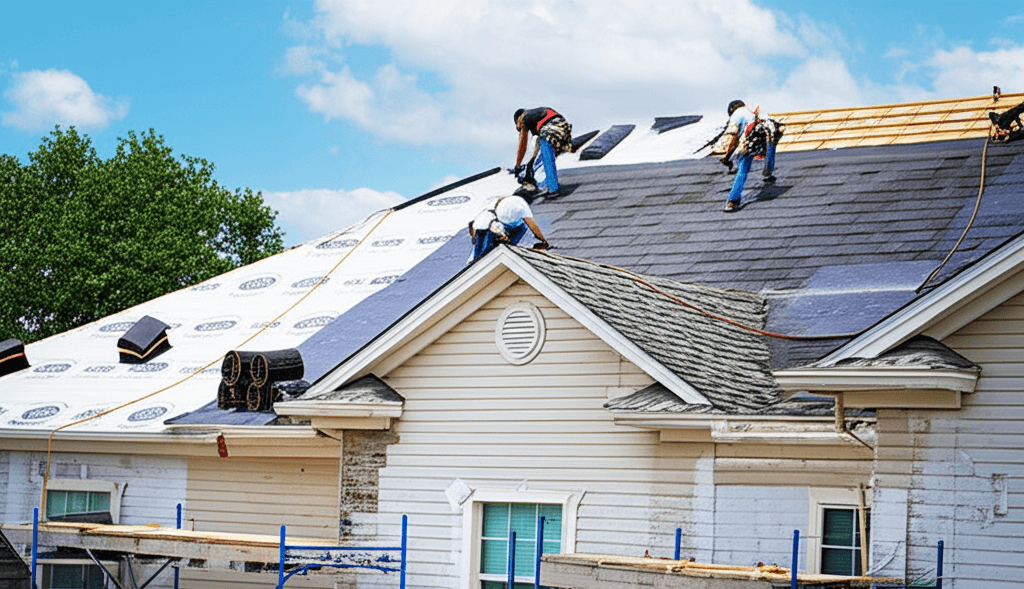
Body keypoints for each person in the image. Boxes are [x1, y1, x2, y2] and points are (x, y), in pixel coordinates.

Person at [720, 99, 781, 212]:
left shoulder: (736, 116)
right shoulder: (752, 111)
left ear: (732, 109)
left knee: (743, 170)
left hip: (749, 142)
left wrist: (727, 157)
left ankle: (732, 201)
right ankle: (768, 173)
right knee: (771, 145)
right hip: (764, 136)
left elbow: (733, 138)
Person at [468, 195, 549, 262]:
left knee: (520, 231)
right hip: (493, 226)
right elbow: (494, 228)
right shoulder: (485, 222)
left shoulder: (518, 207)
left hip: (505, 222)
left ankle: (505, 254)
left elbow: (531, 223)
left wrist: (542, 241)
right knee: (483, 256)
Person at [513, 107, 573, 196]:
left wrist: (517, 165)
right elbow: (537, 147)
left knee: (546, 156)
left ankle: (553, 189)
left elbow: (522, 144)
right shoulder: (537, 116)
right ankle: (551, 184)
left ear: (518, 119)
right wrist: (532, 161)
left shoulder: (524, 117)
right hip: (563, 128)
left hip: (552, 128)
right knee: (545, 154)